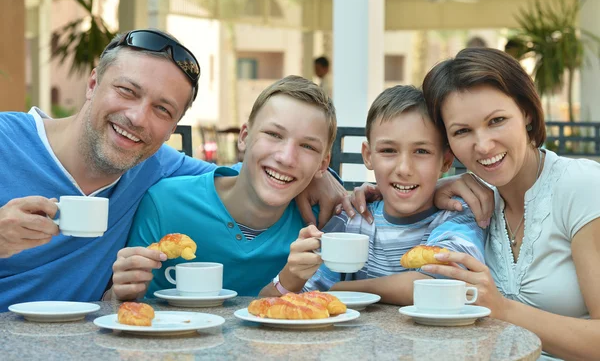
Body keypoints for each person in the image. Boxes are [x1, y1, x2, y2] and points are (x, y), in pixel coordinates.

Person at [0, 30, 348, 311]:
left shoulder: (156, 165)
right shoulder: (6, 140)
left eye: (162, 110)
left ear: (173, 128)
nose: (137, 118)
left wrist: (324, 179)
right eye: (126, 91)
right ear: (93, 84)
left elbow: (246, 177)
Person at [420, 47, 600, 360]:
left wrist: (502, 309)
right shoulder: (473, 198)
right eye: (462, 131)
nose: (483, 145)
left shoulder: (582, 187)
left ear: (527, 113)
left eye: (497, 120)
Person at [111, 76, 337, 299]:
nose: (287, 158)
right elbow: (123, 304)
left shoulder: (323, 226)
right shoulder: (164, 203)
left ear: (323, 164)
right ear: (244, 137)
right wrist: (119, 293)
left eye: (307, 146)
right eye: (274, 134)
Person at [259, 85, 486, 303]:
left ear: (445, 160)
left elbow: (442, 283)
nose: (404, 169)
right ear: (368, 155)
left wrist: (341, 289)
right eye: (388, 151)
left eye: (421, 151)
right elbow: (281, 300)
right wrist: (293, 275)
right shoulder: (350, 222)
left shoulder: (458, 215)